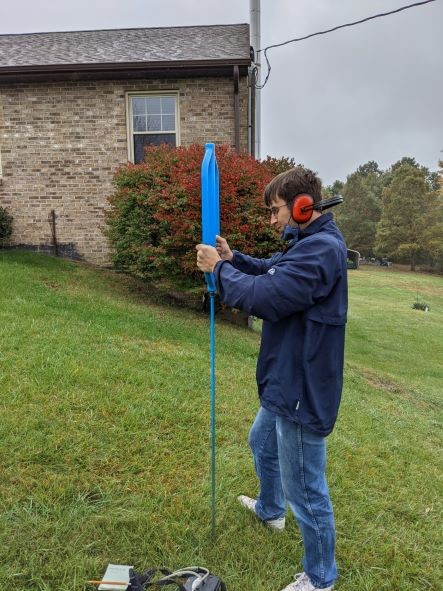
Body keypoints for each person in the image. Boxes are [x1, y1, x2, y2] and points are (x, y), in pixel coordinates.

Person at [196, 166, 348, 591]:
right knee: (261, 441)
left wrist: (219, 272)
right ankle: (269, 510)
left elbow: (267, 296)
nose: (272, 220)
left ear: (303, 207)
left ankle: (320, 579)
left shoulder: (320, 251)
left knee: (307, 488)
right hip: (289, 378)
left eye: (275, 210)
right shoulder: (308, 244)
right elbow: (272, 271)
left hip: (301, 387)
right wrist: (232, 259)